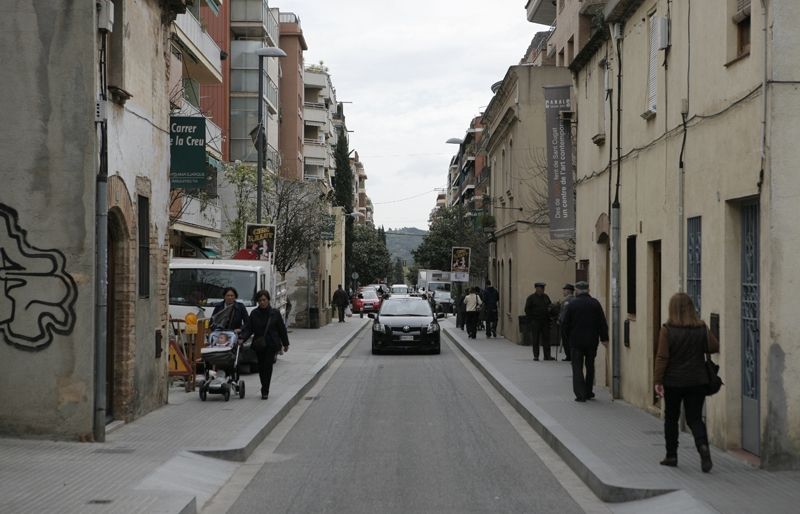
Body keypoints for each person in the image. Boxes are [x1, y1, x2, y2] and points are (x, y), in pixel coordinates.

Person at [654, 292, 720, 472]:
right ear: (691, 308)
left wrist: (658, 380)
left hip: (673, 381)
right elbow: (714, 346)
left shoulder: (667, 330)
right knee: (695, 418)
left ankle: (671, 455)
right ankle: (703, 448)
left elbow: (662, 357)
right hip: (697, 380)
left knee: (671, 418)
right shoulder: (700, 328)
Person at [561, 281, 609, 402]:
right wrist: (604, 338)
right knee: (590, 366)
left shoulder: (572, 305)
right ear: (588, 290)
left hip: (576, 342)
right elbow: (602, 322)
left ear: (577, 290)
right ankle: (588, 391)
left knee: (577, 367)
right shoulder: (595, 304)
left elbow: (565, 324)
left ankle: (580, 394)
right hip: (592, 341)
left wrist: (568, 338)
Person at [239, 290, 290, 400]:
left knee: (268, 366)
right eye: (260, 300)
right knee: (261, 367)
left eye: (264, 300)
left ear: (268, 300)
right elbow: (249, 329)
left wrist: (285, 344)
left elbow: (282, 329)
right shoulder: (254, 313)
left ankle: (265, 390)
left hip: (271, 344)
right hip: (259, 344)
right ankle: (264, 385)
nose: (262, 302)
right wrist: (242, 338)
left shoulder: (275, 313)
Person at [524, 282, 553, 360]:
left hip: (545, 321)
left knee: (546, 338)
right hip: (535, 321)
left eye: (543, 288)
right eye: (541, 288)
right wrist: (532, 319)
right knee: (535, 339)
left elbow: (549, 306)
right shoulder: (531, 298)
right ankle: (536, 356)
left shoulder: (546, 297)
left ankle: (547, 356)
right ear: (537, 289)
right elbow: (527, 309)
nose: (543, 290)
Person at [557, 283, 576, 361]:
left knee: (567, 340)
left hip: (567, 323)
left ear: (568, 291)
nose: (563, 292)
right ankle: (569, 355)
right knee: (566, 340)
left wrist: (560, 319)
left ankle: (570, 356)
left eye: (564, 290)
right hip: (565, 323)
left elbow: (565, 312)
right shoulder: (566, 300)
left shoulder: (570, 300)